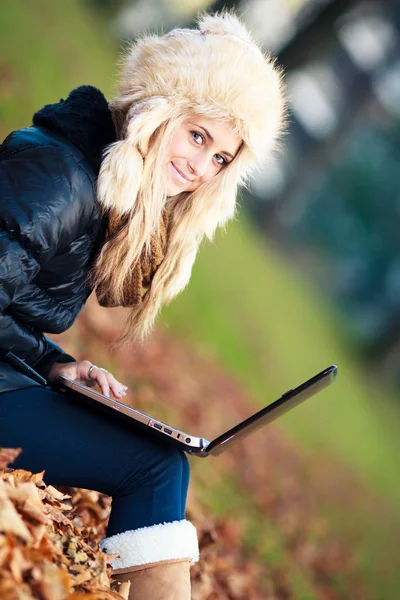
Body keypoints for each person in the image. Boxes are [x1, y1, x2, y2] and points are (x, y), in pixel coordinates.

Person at [0, 12, 285, 600]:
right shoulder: (61, 179)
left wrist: (55, 364)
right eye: (199, 136)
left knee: (163, 461)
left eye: (222, 159)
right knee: (156, 466)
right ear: (157, 105)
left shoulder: (100, 183)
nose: (200, 168)